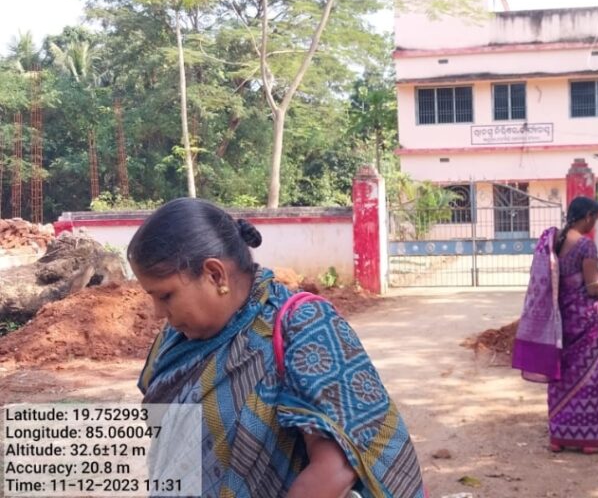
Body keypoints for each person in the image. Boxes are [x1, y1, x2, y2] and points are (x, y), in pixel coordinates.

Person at [130, 198, 425, 498]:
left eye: (166, 296)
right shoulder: (176, 340)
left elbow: (337, 465)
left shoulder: (302, 327)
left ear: (215, 275)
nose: (157, 312)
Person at [513, 196, 598, 454]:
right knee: (592, 376)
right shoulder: (586, 245)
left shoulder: (556, 241)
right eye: (595, 219)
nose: (594, 224)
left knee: (562, 375)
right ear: (588, 217)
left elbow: (569, 279)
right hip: (587, 321)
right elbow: (592, 288)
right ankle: (592, 439)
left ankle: (560, 436)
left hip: (562, 320)